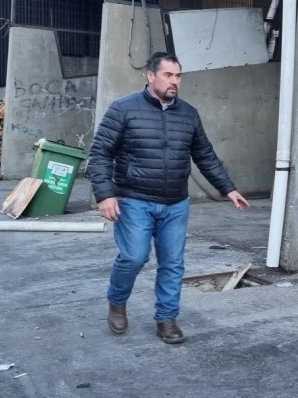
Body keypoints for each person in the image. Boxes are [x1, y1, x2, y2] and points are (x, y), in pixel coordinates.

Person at [88, 51, 249, 344]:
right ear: (150, 76)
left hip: (175, 203)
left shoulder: (188, 114)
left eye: (178, 76)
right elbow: (100, 153)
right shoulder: (123, 109)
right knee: (134, 257)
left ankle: (166, 319)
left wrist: (228, 188)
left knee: (173, 264)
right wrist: (105, 195)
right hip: (134, 199)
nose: (175, 81)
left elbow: (205, 155)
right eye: (168, 75)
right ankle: (117, 302)